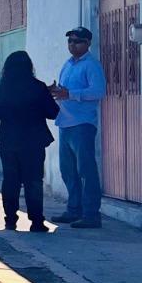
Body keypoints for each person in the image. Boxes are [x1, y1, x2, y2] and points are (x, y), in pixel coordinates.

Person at [0, 50, 59, 232]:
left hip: (9, 140)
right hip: (33, 141)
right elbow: (53, 112)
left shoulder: (3, 88)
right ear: (29, 67)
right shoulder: (38, 87)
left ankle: (10, 220)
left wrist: (8, 113)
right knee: (34, 180)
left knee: (11, 180)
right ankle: (37, 222)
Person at [49, 26, 106, 228]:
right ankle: (74, 210)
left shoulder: (91, 65)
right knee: (68, 171)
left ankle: (91, 214)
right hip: (65, 123)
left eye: (77, 41)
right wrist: (55, 90)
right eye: (70, 41)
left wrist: (70, 94)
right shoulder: (68, 64)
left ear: (88, 43)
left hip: (82, 124)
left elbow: (98, 92)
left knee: (86, 170)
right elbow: (64, 91)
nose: (72, 44)